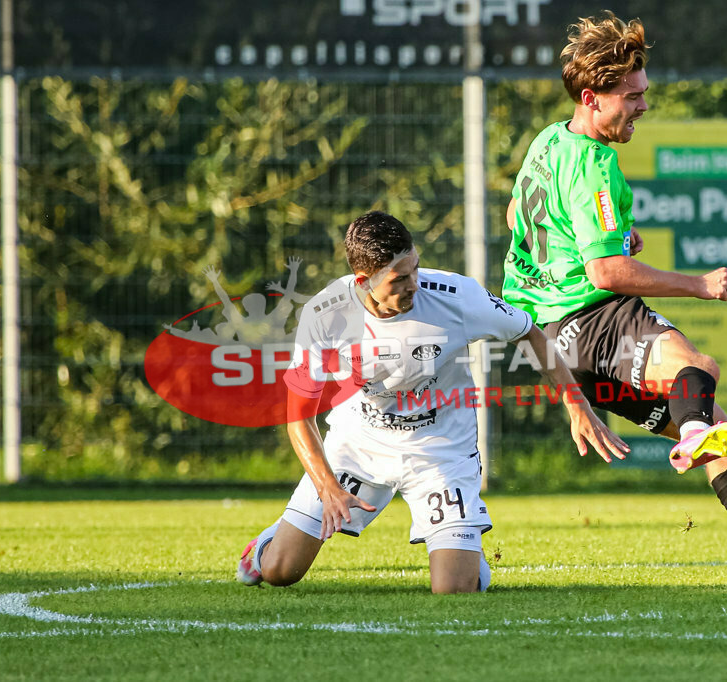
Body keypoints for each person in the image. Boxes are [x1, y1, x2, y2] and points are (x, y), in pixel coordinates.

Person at [499, 12, 727, 583]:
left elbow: (520, 213)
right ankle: (693, 433)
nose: (643, 106)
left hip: (562, 349)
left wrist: (606, 236)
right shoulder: (595, 165)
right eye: (632, 97)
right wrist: (699, 284)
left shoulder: (547, 141)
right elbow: (608, 272)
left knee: (717, 428)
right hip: (594, 318)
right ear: (592, 97)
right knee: (700, 368)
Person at [237, 211, 629, 593]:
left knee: (453, 590)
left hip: (440, 451)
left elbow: (529, 333)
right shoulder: (325, 314)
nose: (414, 284)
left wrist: (576, 404)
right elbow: (298, 417)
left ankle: (465, 551)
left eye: (416, 269)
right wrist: (327, 487)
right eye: (400, 278)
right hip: (357, 446)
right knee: (280, 572)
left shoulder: (458, 297)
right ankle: (267, 547)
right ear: (363, 280)